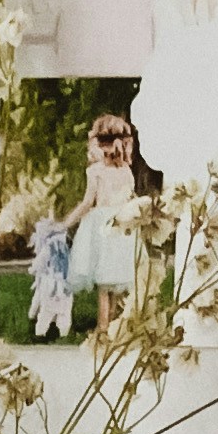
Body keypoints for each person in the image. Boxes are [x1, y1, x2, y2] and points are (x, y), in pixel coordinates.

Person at [64, 111, 151, 320]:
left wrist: (67, 222)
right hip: (122, 226)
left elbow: (87, 202)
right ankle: (113, 326)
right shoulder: (126, 172)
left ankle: (103, 328)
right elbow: (130, 199)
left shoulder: (95, 171)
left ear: (100, 143)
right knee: (115, 282)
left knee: (105, 286)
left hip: (103, 226)